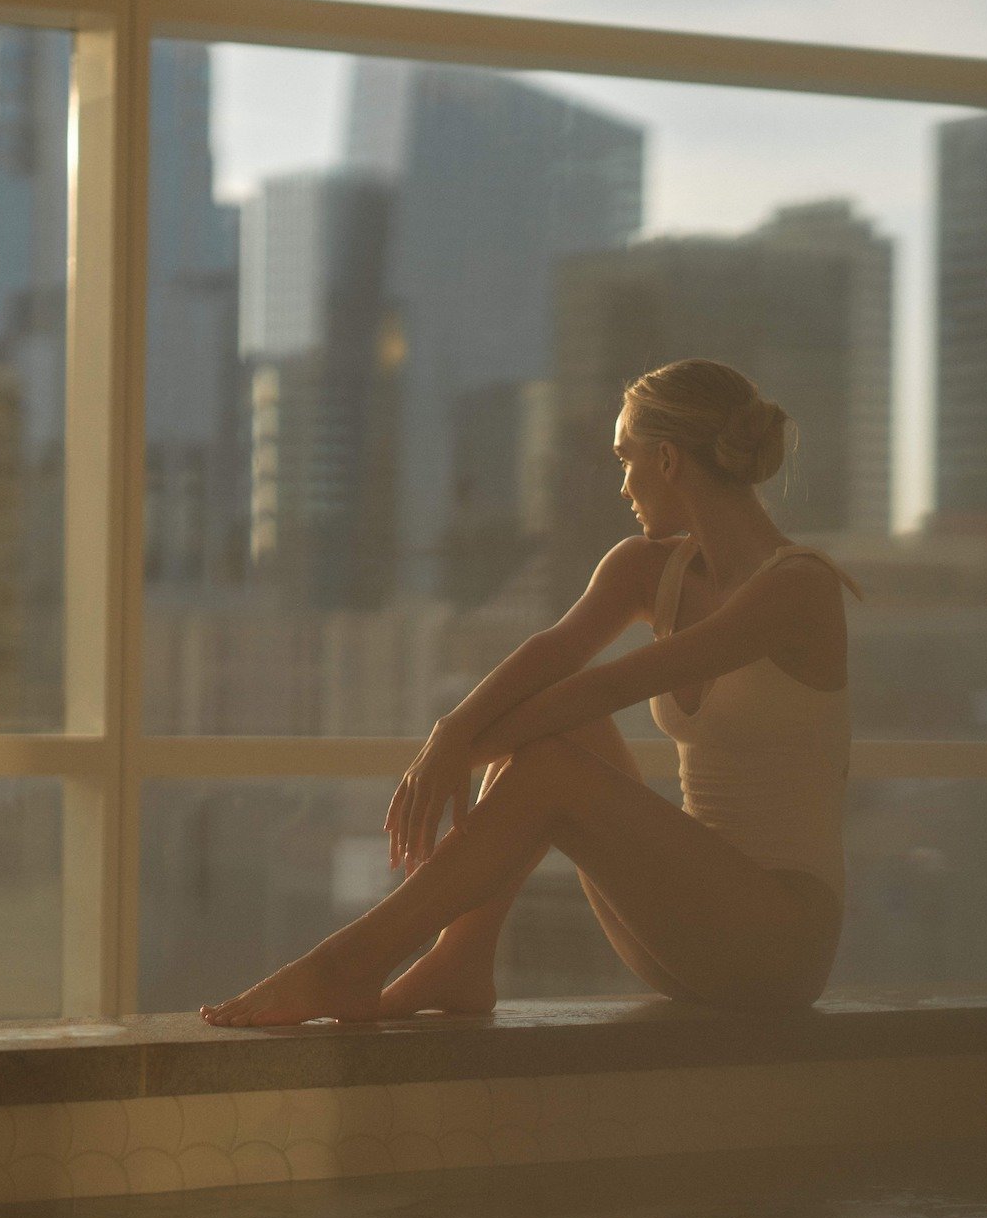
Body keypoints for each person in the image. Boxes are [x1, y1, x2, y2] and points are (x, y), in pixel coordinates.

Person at [202, 359, 860, 1027]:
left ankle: (347, 966)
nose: (622, 484)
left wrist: (464, 750)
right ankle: (461, 958)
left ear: (666, 460)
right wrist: (450, 733)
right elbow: (551, 655)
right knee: (551, 735)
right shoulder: (644, 568)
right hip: (681, 931)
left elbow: (611, 685)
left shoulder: (799, 588)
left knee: (550, 759)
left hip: (781, 943)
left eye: (624, 457)